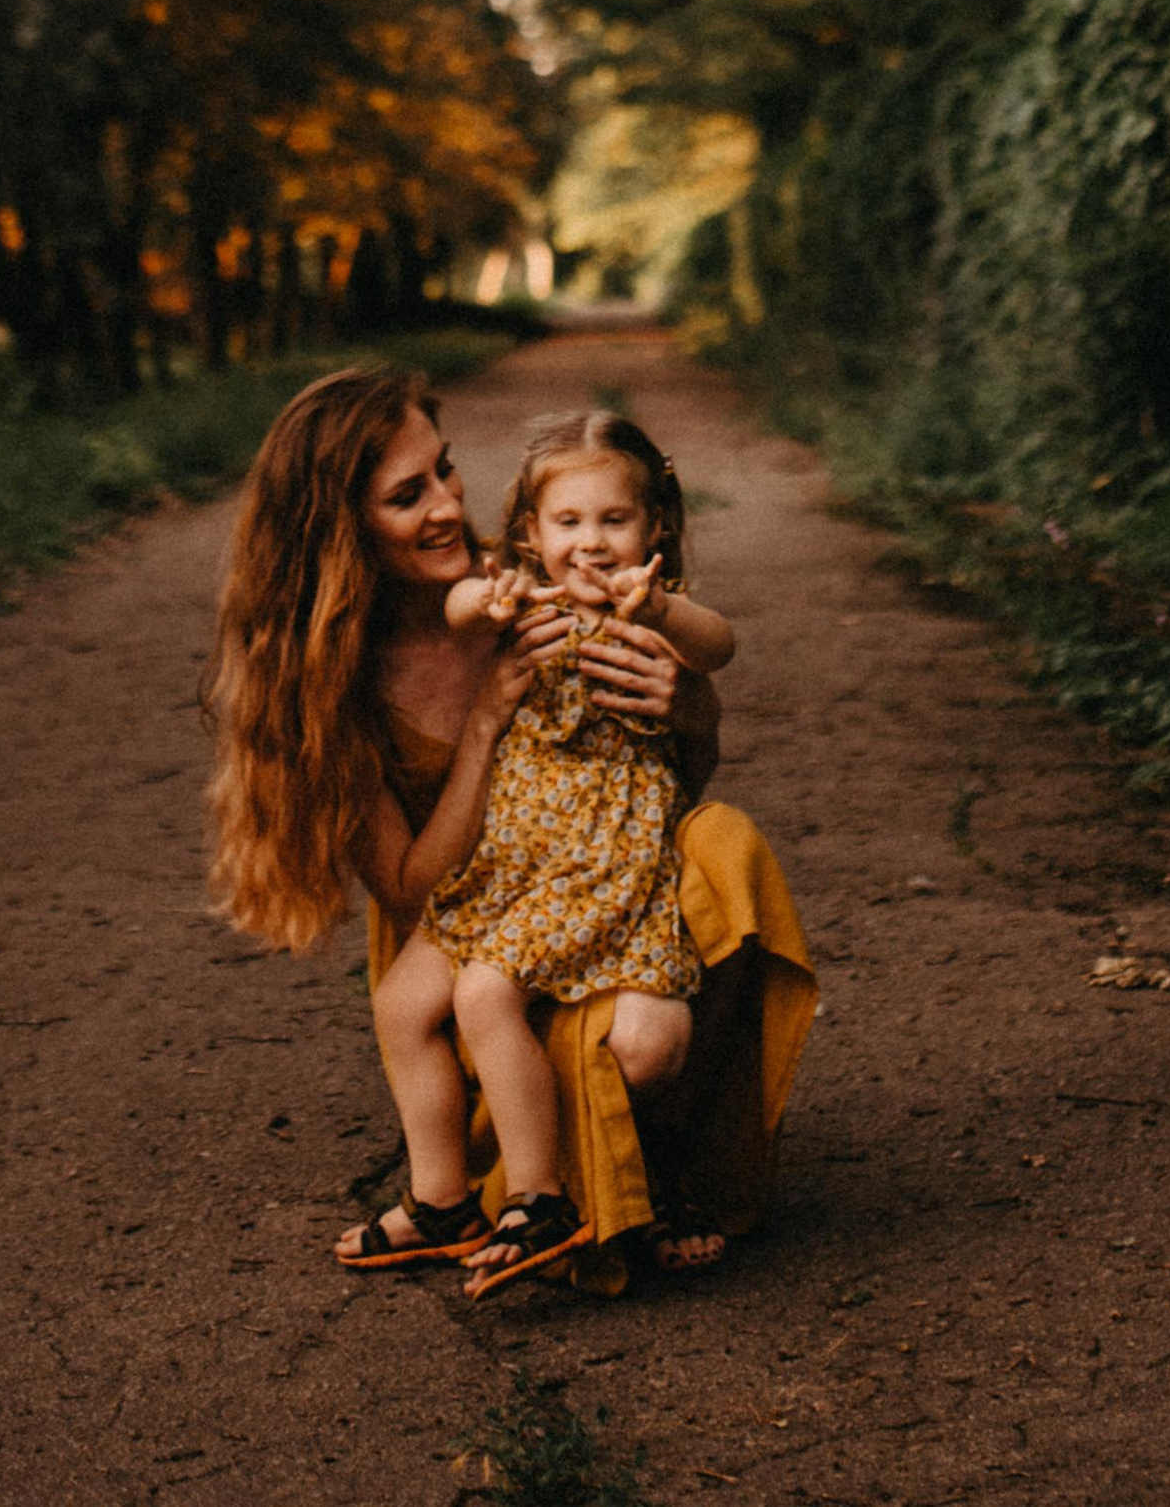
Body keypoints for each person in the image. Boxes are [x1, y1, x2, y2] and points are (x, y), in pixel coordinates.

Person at [202, 366, 814, 1297]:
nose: (452, 505)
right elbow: (408, 890)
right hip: (471, 905)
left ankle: (658, 1171)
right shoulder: (344, 683)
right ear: (342, 528)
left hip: (583, 882)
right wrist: (485, 722)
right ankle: (460, 1194)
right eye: (410, 495)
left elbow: (665, 769)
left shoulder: (535, 573)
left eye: (446, 471)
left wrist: (689, 700)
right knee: (427, 1003)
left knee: (720, 853)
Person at [380, 411, 737, 1292]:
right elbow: (459, 603)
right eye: (567, 524)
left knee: (485, 989)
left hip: (597, 856)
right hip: (512, 858)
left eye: (614, 521)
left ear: (654, 526)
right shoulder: (522, 599)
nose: (591, 544)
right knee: (399, 1004)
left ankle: (539, 1199)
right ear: (531, 536)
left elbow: (719, 645)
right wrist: (487, 598)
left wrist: (659, 611)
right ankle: (443, 1201)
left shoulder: (649, 613)